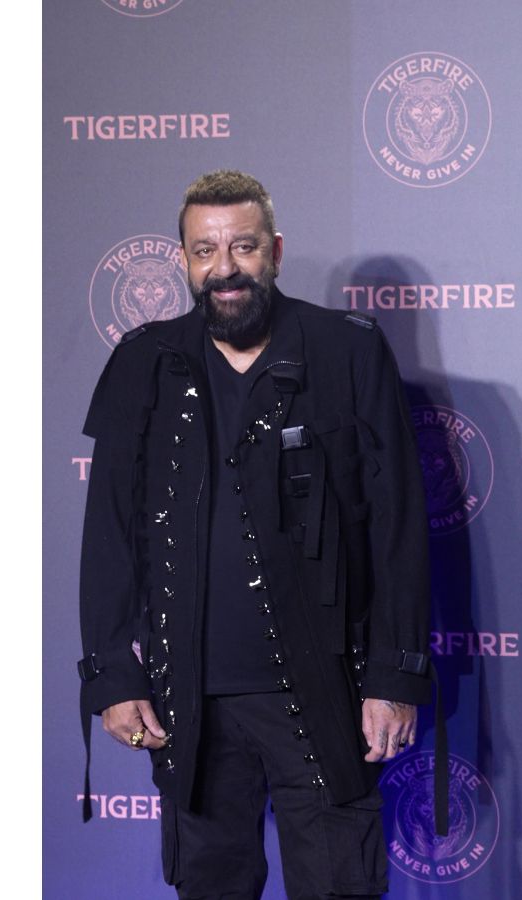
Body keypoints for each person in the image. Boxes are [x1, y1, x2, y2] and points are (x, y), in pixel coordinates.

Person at [77, 170, 436, 899]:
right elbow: (109, 532)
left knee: (340, 886)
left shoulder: (347, 350)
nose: (225, 268)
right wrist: (113, 675)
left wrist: (394, 676)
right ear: (184, 259)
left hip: (330, 692)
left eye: (242, 247)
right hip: (189, 703)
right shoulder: (143, 362)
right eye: (205, 251)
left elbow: (397, 523)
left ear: (273, 250)